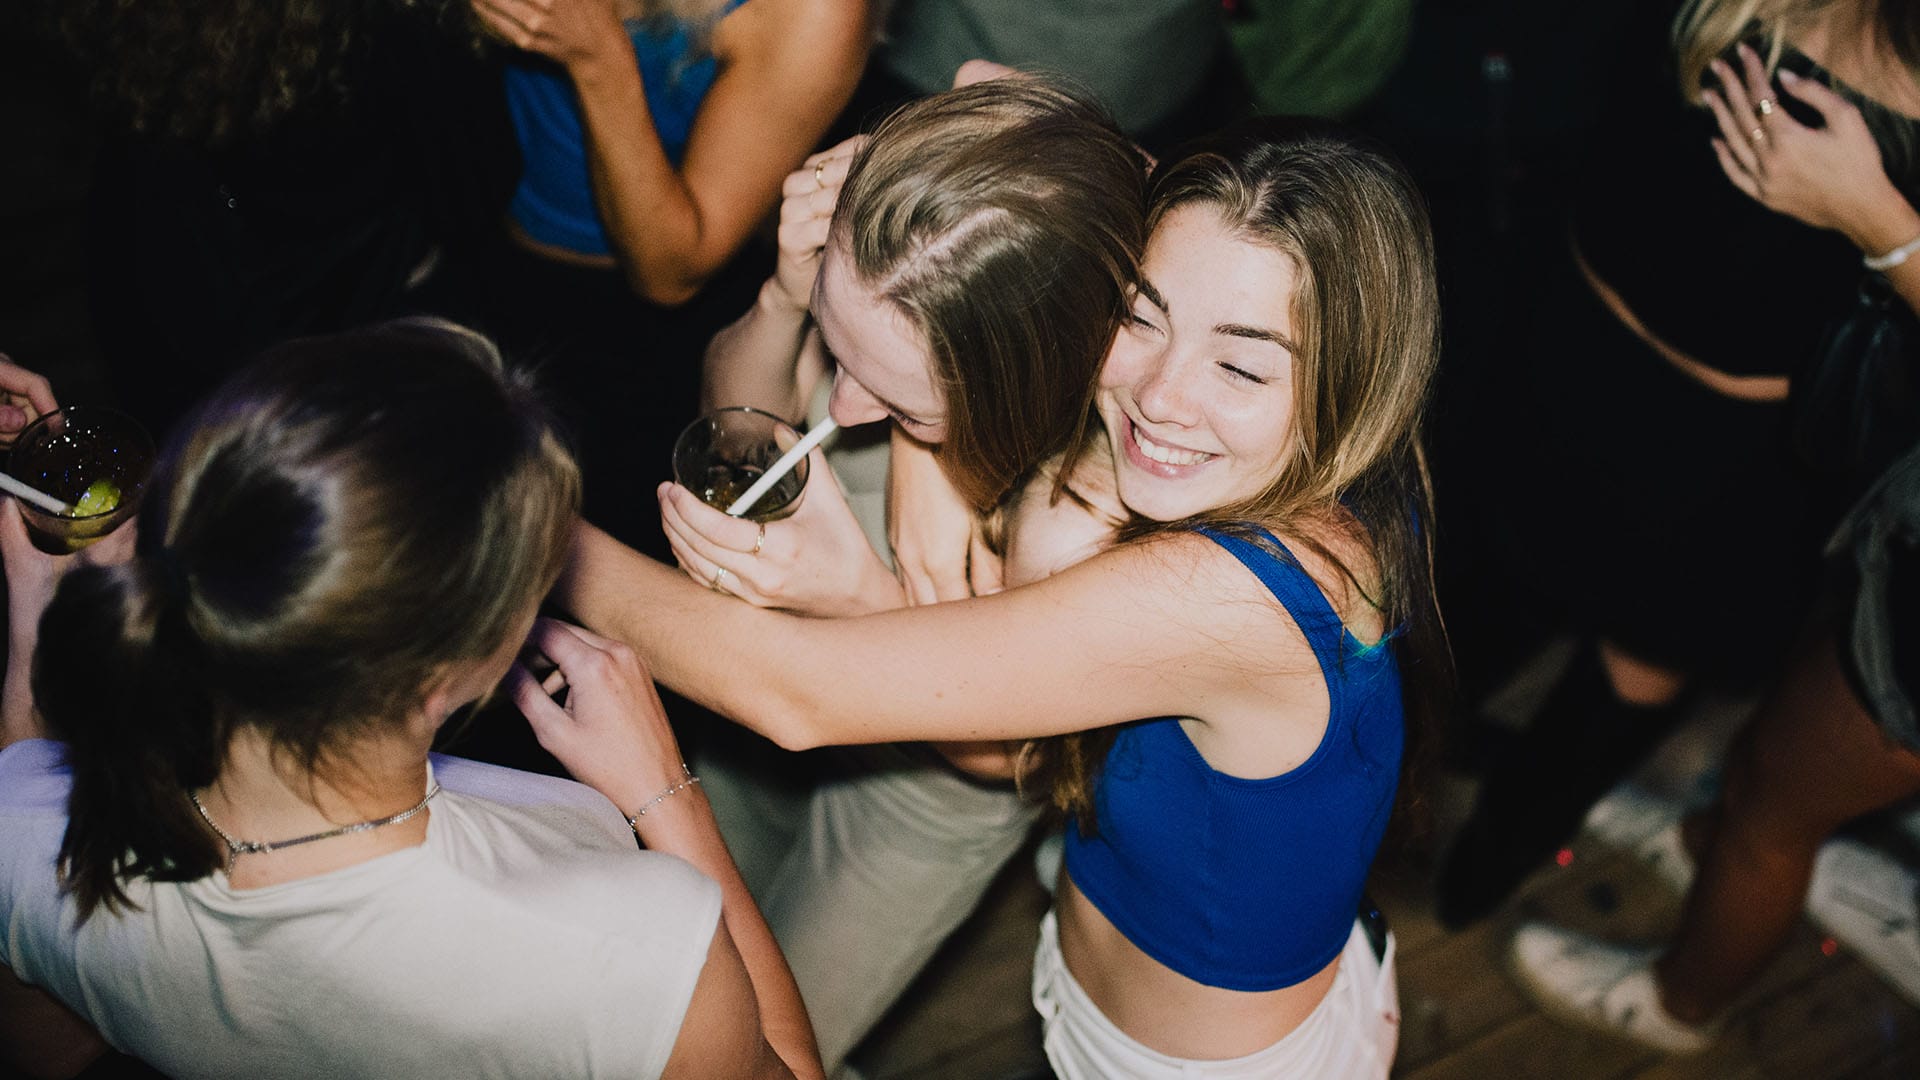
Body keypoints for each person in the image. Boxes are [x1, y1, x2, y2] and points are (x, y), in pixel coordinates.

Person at [565, 120, 1445, 1077]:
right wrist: (923, 451)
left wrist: (528, 529)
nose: (1160, 394)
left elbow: (797, 693)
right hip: (1094, 972)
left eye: (1239, 365)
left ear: (1353, 382)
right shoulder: (1284, 445)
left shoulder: (1235, 594)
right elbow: (1000, 102)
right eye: (1141, 317)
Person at [0, 321, 822, 1080]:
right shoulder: (631, 954)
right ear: (457, 672)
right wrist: (665, 795)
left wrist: (32, 636)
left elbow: (48, 1044)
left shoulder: (35, 837)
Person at [651, 77, 1151, 1075]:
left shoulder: (1095, 499)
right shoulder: (891, 302)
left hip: (920, 794)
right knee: (677, 958)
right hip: (762, 713)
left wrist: (861, 601)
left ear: (1025, 387)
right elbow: (744, 420)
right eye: (838, 348)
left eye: (903, 405)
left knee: (762, 1043)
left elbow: (1015, 759)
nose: (844, 406)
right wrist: (784, 300)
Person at [1436, 0, 1920, 927]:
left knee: (1624, 680)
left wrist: (1878, 219)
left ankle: (1482, 874)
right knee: (1472, 603)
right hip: (1566, 349)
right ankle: (1382, 789)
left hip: (1731, 465)